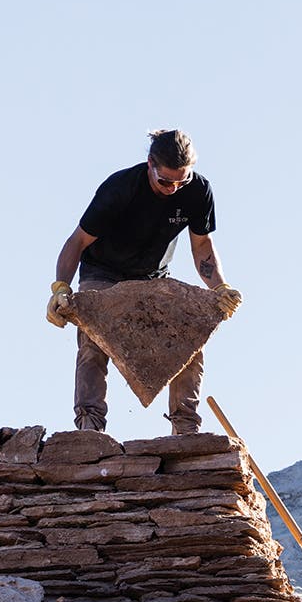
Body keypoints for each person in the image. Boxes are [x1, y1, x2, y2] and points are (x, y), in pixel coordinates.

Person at [48, 129, 232, 435]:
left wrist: (221, 288)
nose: (173, 188)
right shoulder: (120, 188)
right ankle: (89, 428)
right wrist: (60, 288)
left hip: (152, 279)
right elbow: (77, 242)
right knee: (93, 340)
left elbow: (202, 247)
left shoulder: (198, 192)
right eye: (165, 181)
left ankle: (185, 429)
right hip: (103, 274)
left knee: (189, 338)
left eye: (181, 181)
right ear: (150, 164)